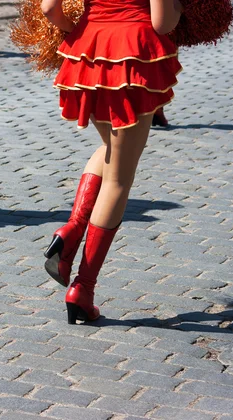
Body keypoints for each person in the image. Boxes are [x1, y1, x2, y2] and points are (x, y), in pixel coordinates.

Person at [41, 0, 183, 323]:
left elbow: (50, 8)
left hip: (89, 49)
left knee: (111, 148)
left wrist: (77, 30)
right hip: (132, 54)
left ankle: (72, 232)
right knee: (119, 178)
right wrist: (181, 9)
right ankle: (83, 288)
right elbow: (162, 22)